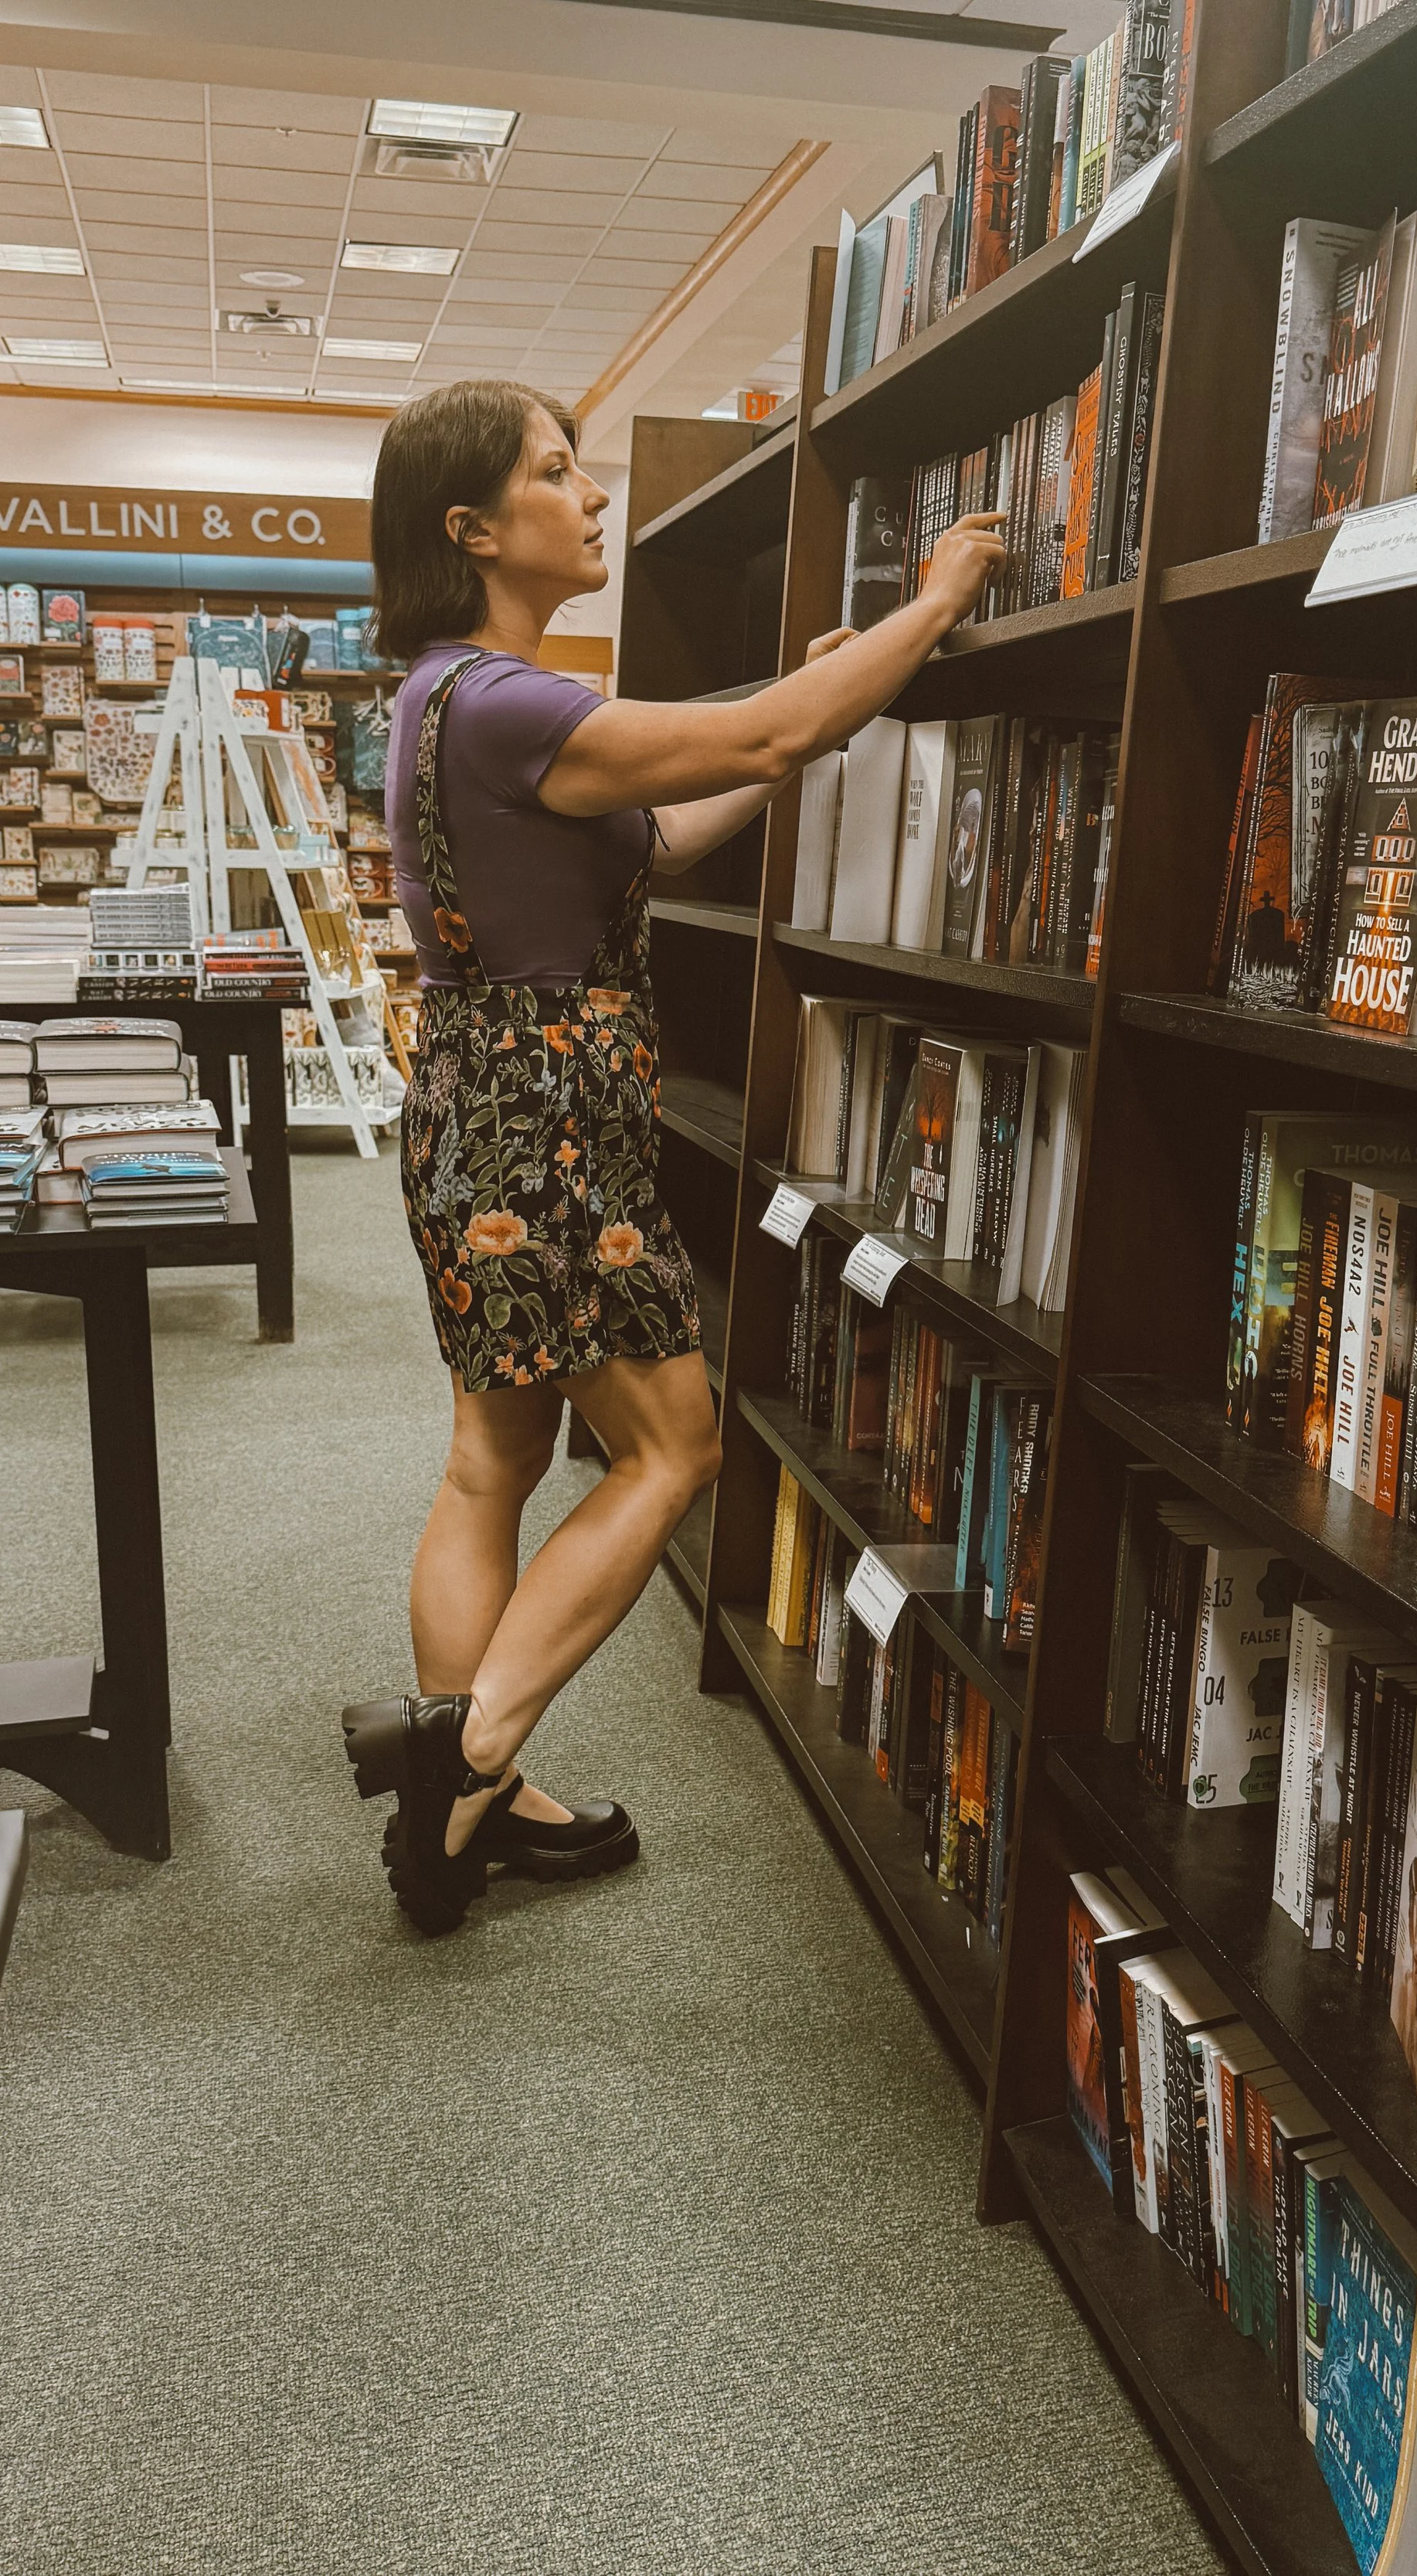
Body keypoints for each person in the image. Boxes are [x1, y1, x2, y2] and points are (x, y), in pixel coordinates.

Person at [341, 378, 1005, 1935]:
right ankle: (470, 1756)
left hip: (473, 1108)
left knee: (490, 1461)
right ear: (472, 527)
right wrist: (937, 604)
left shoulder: (447, 701)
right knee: (675, 1447)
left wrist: (820, 686)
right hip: (552, 1124)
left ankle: (468, 1816)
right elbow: (763, 736)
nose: (591, 500)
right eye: (557, 475)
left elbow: (682, 821)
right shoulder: (507, 701)